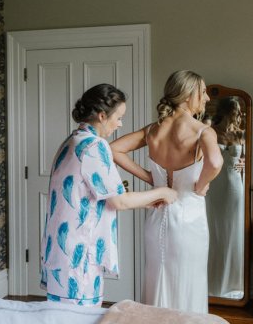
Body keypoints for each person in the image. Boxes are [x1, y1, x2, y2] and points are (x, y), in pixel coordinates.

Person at [40, 84, 178, 307]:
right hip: (79, 254)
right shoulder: (95, 146)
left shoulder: (71, 141)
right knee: (80, 317)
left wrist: (147, 201)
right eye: (119, 117)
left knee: (61, 315)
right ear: (103, 116)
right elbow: (119, 200)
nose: (120, 124)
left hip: (60, 250)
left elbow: (92, 194)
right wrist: (162, 192)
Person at [111, 70, 223, 314]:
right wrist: (202, 184)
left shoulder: (153, 130)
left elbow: (113, 149)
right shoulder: (203, 131)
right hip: (189, 220)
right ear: (186, 95)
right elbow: (215, 162)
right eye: (202, 92)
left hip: (156, 219)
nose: (206, 98)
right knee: (187, 282)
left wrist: (151, 178)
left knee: (156, 278)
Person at [206, 97, 245, 299]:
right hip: (214, 187)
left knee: (233, 232)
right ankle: (213, 282)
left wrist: (245, 164)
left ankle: (232, 282)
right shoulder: (210, 131)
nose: (239, 115)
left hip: (235, 187)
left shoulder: (241, 134)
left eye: (239, 111)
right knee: (215, 232)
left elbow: (248, 158)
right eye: (235, 111)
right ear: (226, 111)